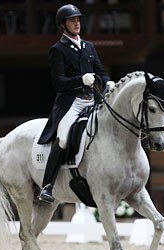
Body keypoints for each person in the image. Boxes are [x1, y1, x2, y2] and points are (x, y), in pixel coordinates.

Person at [38, 4, 115, 203]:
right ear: (63, 25)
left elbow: (100, 69)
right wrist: (80, 80)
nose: (77, 23)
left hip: (92, 101)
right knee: (63, 138)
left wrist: (108, 80)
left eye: (78, 20)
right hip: (71, 102)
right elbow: (58, 82)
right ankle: (47, 185)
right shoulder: (58, 49)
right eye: (72, 20)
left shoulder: (88, 46)